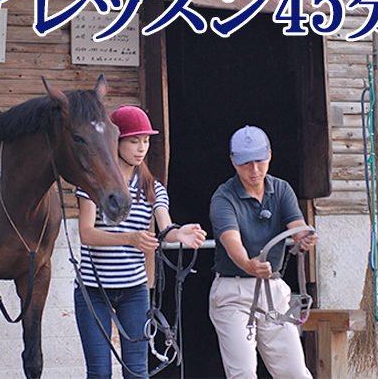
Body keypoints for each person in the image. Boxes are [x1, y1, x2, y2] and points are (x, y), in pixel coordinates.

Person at [75, 105, 207, 379]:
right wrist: (129, 238)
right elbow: (86, 234)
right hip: (93, 288)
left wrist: (179, 234)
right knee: (99, 373)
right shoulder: (92, 183)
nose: (141, 148)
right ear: (116, 141)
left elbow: (165, 225)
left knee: (137, 372)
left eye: (146, 140)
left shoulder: (152, 187)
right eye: (134, 140)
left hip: (134, 290)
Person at [208, 125, 318, 379]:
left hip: (273, 289)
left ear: (269, 155)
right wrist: (248, 264)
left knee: (295, 373)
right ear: (234, 161)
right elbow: (231, 242)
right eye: (246, 163)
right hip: (233, 292)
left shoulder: (281, 189)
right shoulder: (223, 197)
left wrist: (305, 238)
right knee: (244, 372)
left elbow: (298, 228)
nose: (254, 170)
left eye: (259, 161)